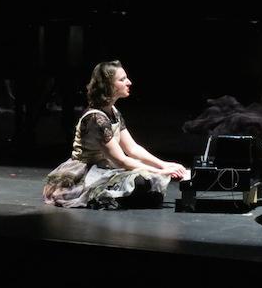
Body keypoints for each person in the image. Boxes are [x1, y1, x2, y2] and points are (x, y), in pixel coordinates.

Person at [43, 60, 187, 209]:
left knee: (148, 182)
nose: (129, 82)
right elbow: (121, 160)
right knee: (143, 182)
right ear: (108, 85)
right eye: (122, 79)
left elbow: (133, 148)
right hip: (87, 172)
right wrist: (162, 171)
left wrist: (164, 164)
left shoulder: (114, 112)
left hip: (106, 166)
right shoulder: (96, 118)